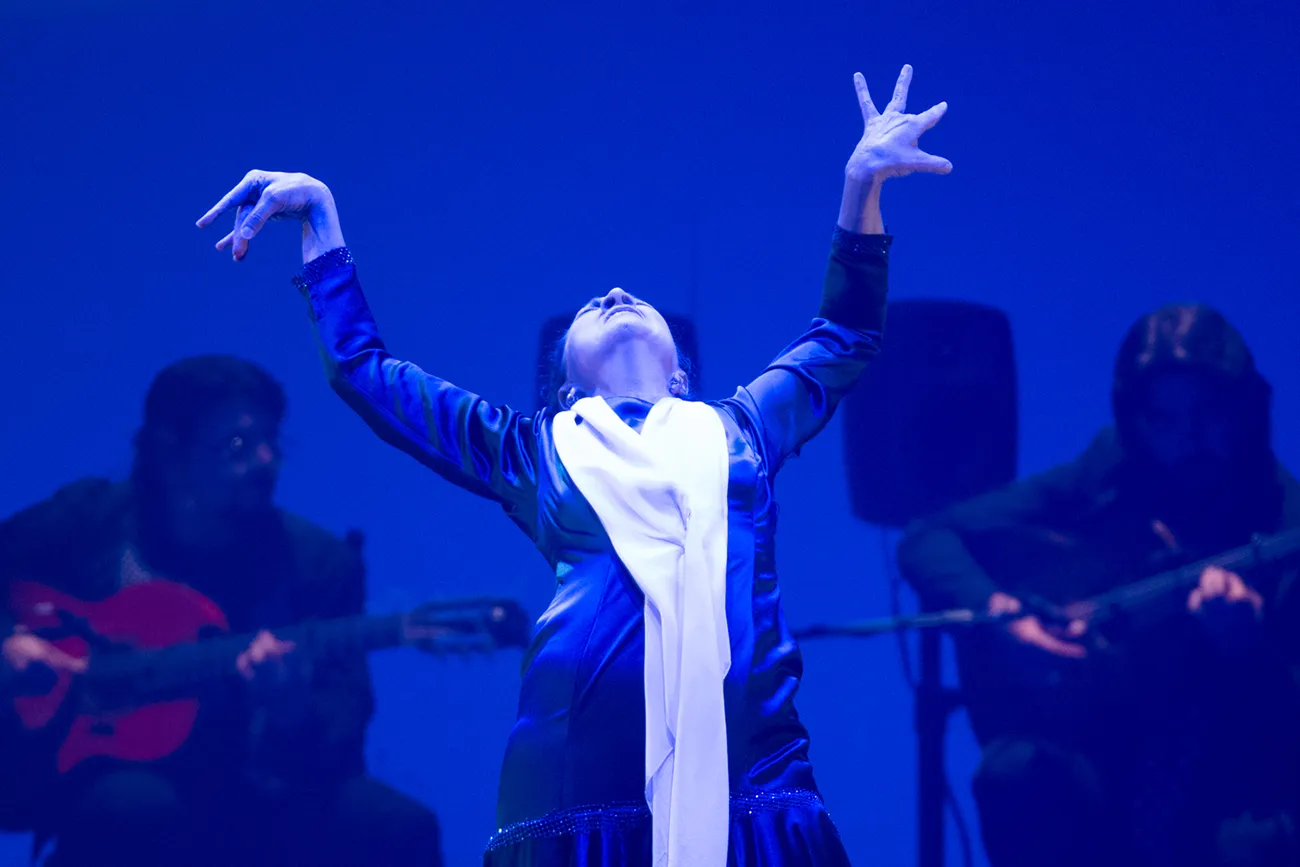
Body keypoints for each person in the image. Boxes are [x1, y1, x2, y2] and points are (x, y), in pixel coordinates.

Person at [197, 65, 951, 865]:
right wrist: (323, 222)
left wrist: (859, 189)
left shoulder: (743, 430)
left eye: (632, 299)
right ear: (562, 387)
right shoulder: (536, 450)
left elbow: (842, 337)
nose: (616, 292)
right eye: (593, 307)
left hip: (753, 778)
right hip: (571, 793)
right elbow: (368, 373)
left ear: (684, 371)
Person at [896, 304, 1300, 867]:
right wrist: (1004, 615)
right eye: (1164, 420)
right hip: (1108, 762)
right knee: (1019, 774)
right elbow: (930, 538)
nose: (1190, 440)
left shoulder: (1285, 522)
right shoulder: (1108, 473)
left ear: (1245, 410)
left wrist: (1245, 647)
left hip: (1231, 788)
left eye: (1210, 415)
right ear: (1135, 421)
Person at [0, 355, 442, 867]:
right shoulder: (90, 521)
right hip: (110, 777)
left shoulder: (317, 566)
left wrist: (290, 710)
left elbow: (341, 737)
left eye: (271, 442)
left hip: (252, 780)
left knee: (398, 828)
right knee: (135, 810)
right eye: (237, 447)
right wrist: (10, 642)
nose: (265, 461)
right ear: (170, 455)